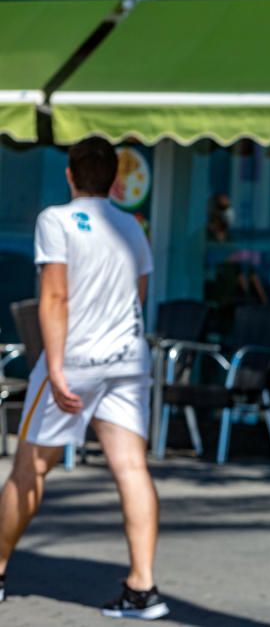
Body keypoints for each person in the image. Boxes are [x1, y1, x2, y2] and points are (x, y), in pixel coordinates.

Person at [0, 137, 168, 620]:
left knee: (29, 467)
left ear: (70, 175)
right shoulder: (133, 225)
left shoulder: (56, 220)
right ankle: (143, 587)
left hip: (73, 362)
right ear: (115, 179)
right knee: (131, 468)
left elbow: (54, 297)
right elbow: (138, 292)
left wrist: (53, 367)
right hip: (127, 362)